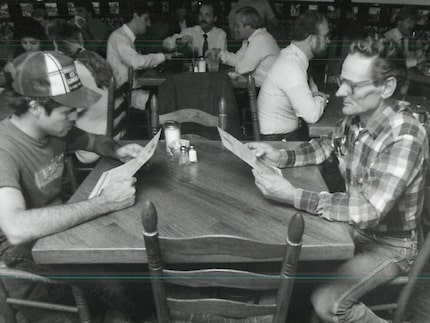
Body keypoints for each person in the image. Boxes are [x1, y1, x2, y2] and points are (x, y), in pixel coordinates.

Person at [247, 36, 428, 323]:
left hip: (390, 245)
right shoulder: (357, 117)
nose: (341, 91)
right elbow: (323, 147)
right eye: (341, 80)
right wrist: (279, 156)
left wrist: (293, 195)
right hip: (354, 229)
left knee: (327, 302)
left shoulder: (404, 135)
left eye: (352, 86)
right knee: (287, 268)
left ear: (386, 87)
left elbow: (369, 209)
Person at [0, 51, 144, 322]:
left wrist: (118, 150)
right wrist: (104, 202)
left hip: (57, 232)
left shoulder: (55, 129)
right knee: (119, 283)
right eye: (68, 111)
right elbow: (16, 229)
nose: (76, 117)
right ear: (34, 107)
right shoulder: (4, 149)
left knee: (134, 265)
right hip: (18, 251)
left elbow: (95, 142)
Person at [48, 20, 114, 164]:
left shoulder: (70, 72)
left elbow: (60, 114)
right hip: (114, 131)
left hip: (92, 144)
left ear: (56, 46)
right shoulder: (95, 62)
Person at [257, 11, 330, 141]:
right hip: (278, 141)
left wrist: (314, 97)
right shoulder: (292, 66)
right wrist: (320, 98)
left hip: (285, 135)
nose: (329, 41)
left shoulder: (292, 57)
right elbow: (311, 115)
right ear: (312, 40)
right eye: (326, 36)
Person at [107, 2, 172, 110]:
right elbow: (136, 62)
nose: (149, 24)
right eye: (146, 19)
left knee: (166, 94)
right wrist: (164, 56)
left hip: (130, 91)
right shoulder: (118, 37)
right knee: (167, 100)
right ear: (136, 16)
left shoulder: (126, 38)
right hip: (124, 96)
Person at [219, 6, 280, 87]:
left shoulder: (260, 39)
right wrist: (219, 54)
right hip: (258, 87)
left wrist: (234, 67)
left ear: (248, 26)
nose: (235, 29)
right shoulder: (249, 40)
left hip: (270, 91)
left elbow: (242, 68)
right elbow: (237, 59)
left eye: (237, 26)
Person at [162, 2, 227, 57]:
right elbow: (165, 44)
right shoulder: (190, 31)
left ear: (215, 18)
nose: (203, 18)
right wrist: (179, 41)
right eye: (200, 14)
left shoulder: (220, 34)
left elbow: (222, 57)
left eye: (207, 15)